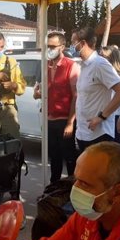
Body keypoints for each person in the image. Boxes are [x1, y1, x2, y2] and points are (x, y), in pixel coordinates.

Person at [69, 28, 120, 151]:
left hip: (99, 135)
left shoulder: (100, 64)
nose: (71, 47)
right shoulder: (84, 65)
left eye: (73, 42)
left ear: (83, 43)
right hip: (84, 133)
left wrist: (101, 117)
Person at [33, 32, 80, 183]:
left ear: (62, 47)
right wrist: (38, 94)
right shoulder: (44, 66)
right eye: (47, 46)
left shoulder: (71, 66)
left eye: (53, 46)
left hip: (64, 119)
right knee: (54, 157)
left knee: (70, 156)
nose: (49, 49)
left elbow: (76, 96)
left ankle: (72, 187)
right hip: (49, 119)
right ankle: (54, 188)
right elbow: (42, 92)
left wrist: (70, 123)